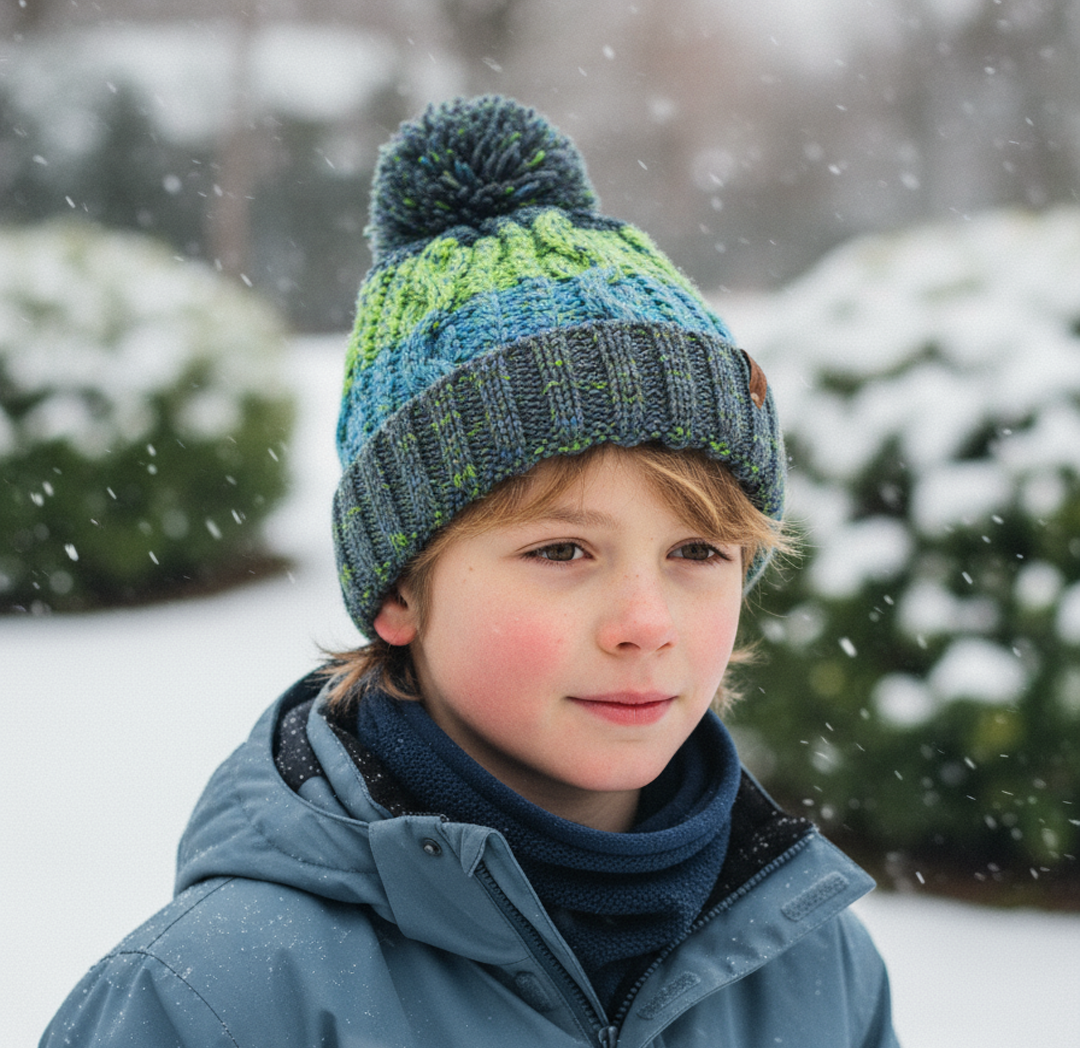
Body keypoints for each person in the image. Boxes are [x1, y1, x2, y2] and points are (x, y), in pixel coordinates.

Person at [40, 96, 899, 1047]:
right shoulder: (223, 999)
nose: (645, 622)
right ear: (402, 590)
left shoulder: (814, 966)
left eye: (697, 550)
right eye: (561, 551)